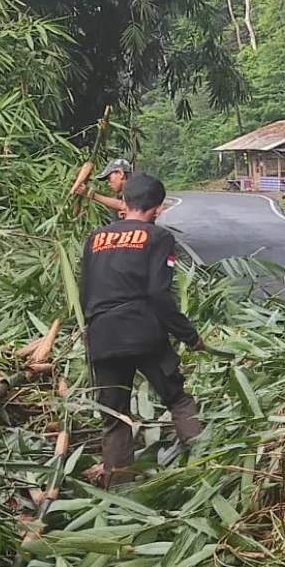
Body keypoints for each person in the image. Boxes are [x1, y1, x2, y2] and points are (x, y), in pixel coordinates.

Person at [79, 174, 206, 486]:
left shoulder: (95, 238)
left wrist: (90, 329)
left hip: (102, 334)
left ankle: (122, 497)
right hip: (144, 332)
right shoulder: (158, 237)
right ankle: (208, 468)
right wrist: (189, 336)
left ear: (124, 203)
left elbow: (84, 291)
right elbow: (158, 294)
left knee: (115, 417)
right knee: (176, 399)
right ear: (158, 209)